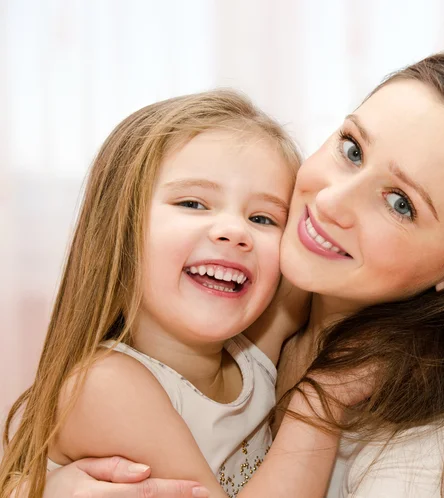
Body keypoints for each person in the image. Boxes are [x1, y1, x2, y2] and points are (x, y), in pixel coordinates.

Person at [11, 45, 444, 497]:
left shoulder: (425, 442)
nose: (331, 204)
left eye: (401, 204)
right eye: (351, 148)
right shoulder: (272, 315)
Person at [0, 90, 362, 498]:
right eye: (192, 203)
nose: (234, 231)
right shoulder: (104, 387)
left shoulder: (255, 346)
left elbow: (357, 268)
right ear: (119, 231)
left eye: (262, 217)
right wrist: (322, 403)